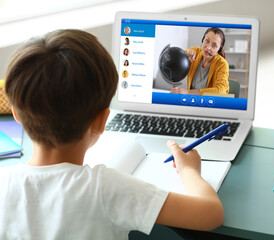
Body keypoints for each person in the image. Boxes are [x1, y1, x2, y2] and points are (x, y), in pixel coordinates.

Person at [0, 29, 223, 239]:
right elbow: (211, 214)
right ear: (102, 120)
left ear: (16, 115)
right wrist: (189, 170)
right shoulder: (106, 188)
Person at [170, 27, 229, 95]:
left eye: (214, 45)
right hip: (192, 101)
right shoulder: (195, 52)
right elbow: (174, 60)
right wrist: (184, 55)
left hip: (209, 103)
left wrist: (188, 92)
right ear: (203, 39)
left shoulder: (222, 64)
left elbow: (221, 91)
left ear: (219, 50)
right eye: (207, 41)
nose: (208, 47)